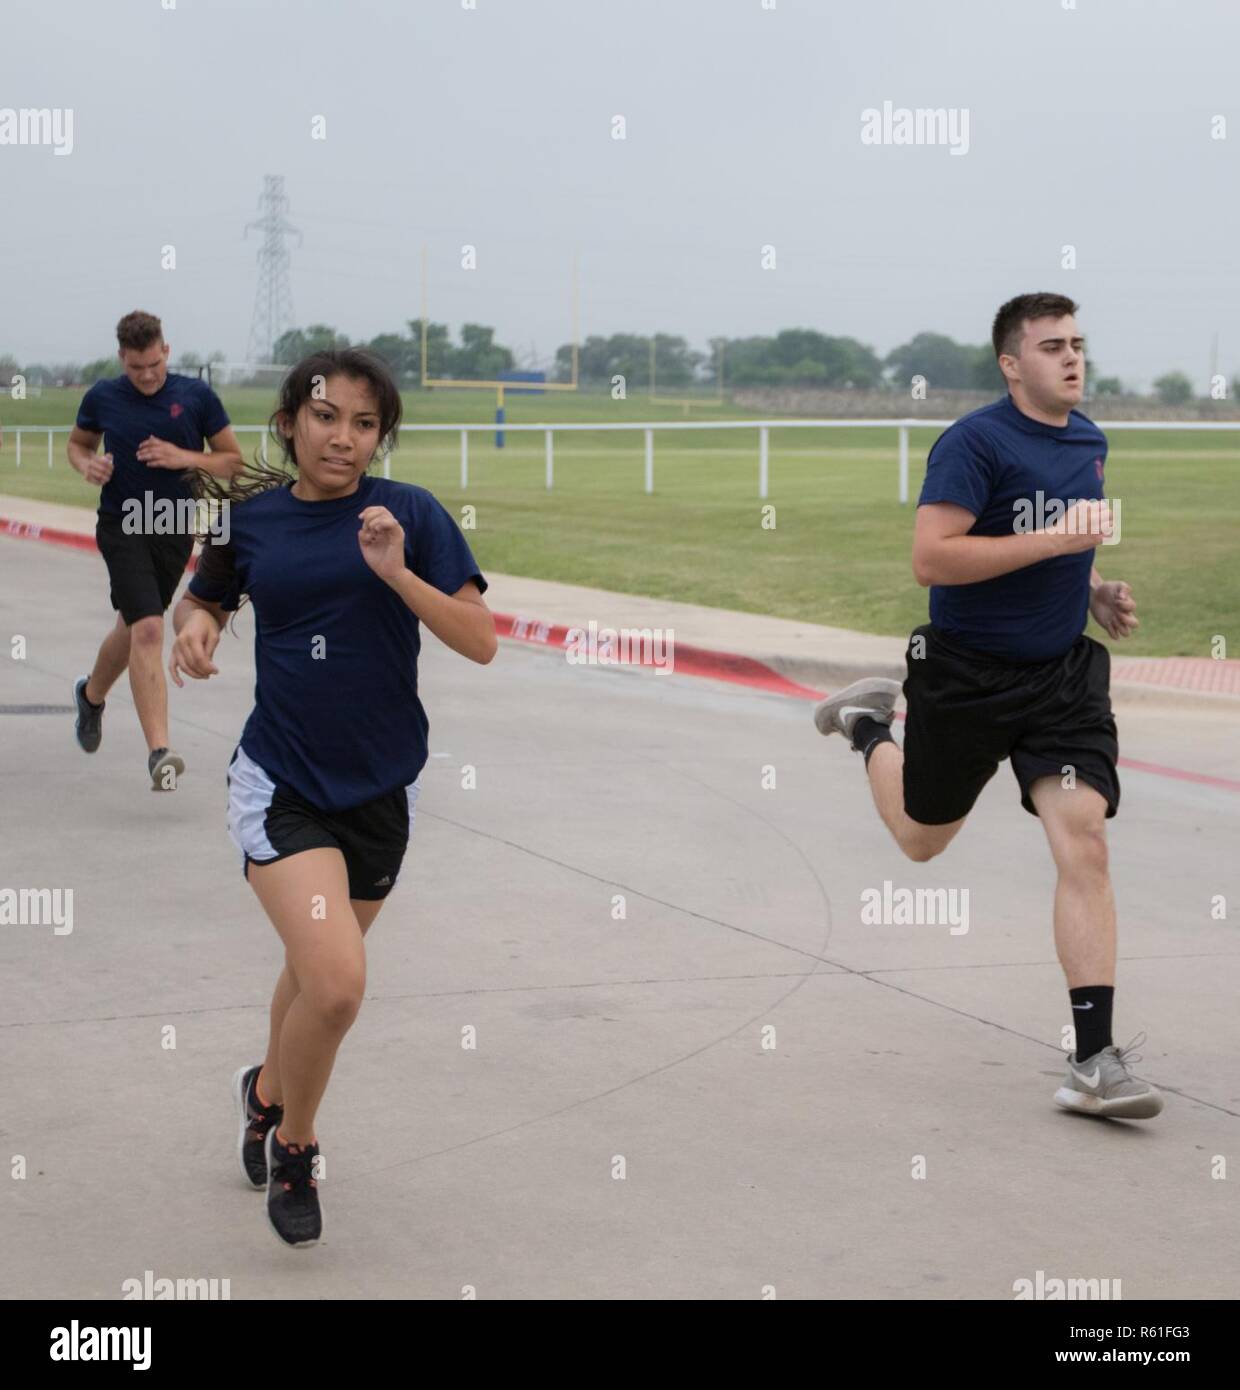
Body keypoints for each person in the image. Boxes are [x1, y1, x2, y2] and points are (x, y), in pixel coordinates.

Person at [168, 348, 496, 1247]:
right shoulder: (255, 521)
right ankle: (298, 1146)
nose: (342, 438)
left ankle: (264, 1091)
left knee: (314, 976)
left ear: (379, 436)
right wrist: (194, 635)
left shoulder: (413, 516)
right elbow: (205, 602)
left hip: (382, 788)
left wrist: (397, 574)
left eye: (363, 424)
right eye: (325, 417)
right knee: (341, 986)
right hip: (283, 783)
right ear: (289, 422)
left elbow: (480, 640)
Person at [814, 292, 1162, 1120]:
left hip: (1060, 681)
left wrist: (1093, 590)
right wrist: (1064, 543)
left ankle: (1093, 1060)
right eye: (1051, 346)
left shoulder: (1089, 440)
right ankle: (870, 725)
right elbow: (932, 559)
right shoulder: (973, 443)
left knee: (1085, 843)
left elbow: (1060, 549)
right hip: (966, 675)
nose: (1072, 358)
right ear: (1012, 364)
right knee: (920, 841)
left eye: (1078, 343)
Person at [67, 311, 243, 788]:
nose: (146, 376)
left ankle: (92, 696)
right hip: (122, 524)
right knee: (148, 627)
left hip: (173, 528)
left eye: (153, 365)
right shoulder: (102, 396)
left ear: (166, 350)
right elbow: (78, 445)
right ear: (122, 358)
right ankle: (160, 752)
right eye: (135, 367)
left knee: (132, 624)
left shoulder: (196, 397)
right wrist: (88, 466)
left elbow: (232, 462)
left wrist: (183, 457)